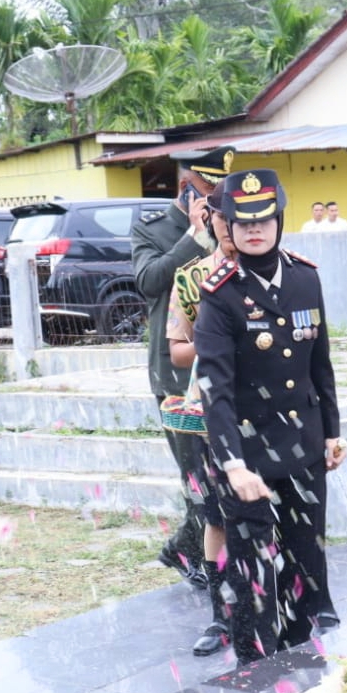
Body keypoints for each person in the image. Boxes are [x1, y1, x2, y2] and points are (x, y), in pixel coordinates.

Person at [194, 168, 346, 664]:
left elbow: (320, 365)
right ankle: (255, 676)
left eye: (263, 220)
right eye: (243, 223)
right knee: (254, 576)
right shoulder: (219, 294)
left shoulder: (306, 278)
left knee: (306, 564)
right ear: (229, 229)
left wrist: (332, 435)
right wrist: (232, 465)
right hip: (248, 459)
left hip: (304, 446)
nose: (254, 230)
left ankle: (304, 662)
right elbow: (214, 389)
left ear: (279, 221)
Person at [132, 145, 235, 591]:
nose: (216, 203)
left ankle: (186, 549)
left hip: (227, 370)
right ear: (186, 188)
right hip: (177, 372)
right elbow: (148, 281)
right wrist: (192, 238)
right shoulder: (153, 227)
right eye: (209, 193)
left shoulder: (230, 222)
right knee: (198, 478)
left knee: (225, 476)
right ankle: (199, 556)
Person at [165, 190, 237, 656]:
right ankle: (220, 614)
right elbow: (176, 351)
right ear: (209, 219)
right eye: (224, 219)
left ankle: (272, 604)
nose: (234, 230)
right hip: (210, 411)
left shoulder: (274, 271)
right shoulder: (191, 278)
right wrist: (217, 342)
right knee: (216, 515)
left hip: (267, 412)